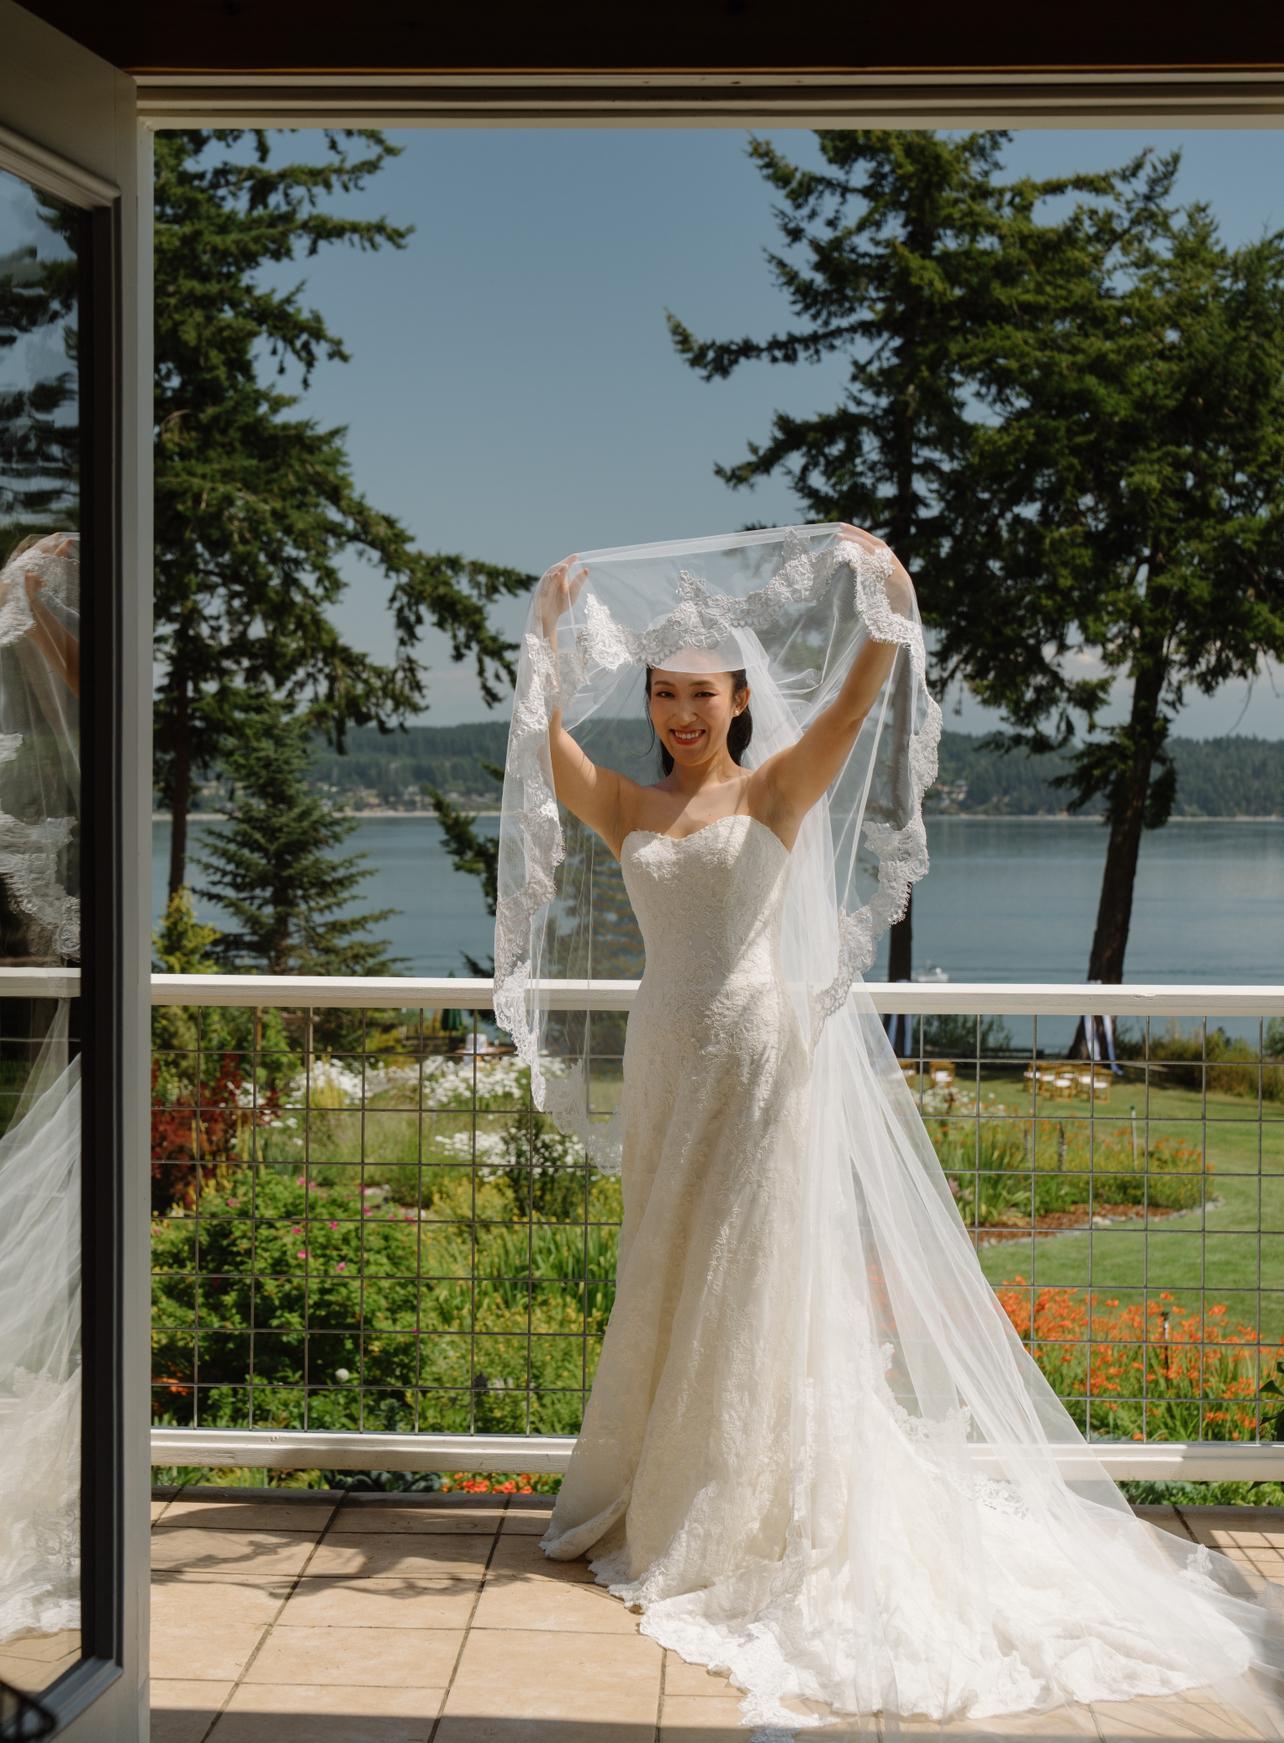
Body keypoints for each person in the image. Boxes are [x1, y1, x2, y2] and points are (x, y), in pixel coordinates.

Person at [493, 521, 1284, 1741]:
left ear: (739, 698)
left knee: (745, 1272)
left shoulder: (777, 786)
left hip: (757, 1054)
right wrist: (545, 636)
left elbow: (862, 695)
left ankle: (739, 1508)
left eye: (702, 694)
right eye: (663, 693)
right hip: (663, 1055)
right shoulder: (627, 801)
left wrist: (890, 588)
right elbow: (544, 749)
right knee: (663, 1259)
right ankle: (663, 1493)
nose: (682, 714)